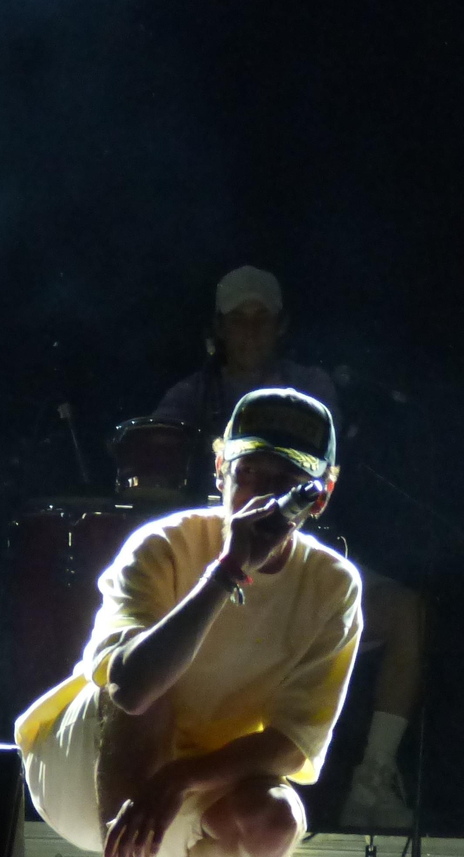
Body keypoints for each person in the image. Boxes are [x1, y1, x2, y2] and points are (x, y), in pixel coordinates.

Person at [16, 389, 364, 857]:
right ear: (220, 467)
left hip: (191, 789)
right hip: (81, 773)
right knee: (149, 695)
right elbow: (130, 686)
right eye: (247, 471)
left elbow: (291, 741)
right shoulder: (163, 546)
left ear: (319, 496)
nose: (257, 493)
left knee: (278, 822)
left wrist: (181, 778)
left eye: (283, 480)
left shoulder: (333, 585)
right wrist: (228, 571)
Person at [156, 265, 420, 828]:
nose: (250, 330)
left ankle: (372, 781)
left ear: (281, 326)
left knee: (407, 614)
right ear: (217, 328)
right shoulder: (186, 397)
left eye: (262, 318)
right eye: (238, 319)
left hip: (295, 563)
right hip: (205, 565)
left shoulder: (313, 389)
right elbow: (151, 472)